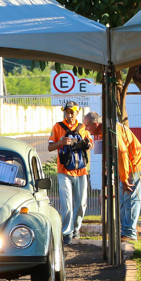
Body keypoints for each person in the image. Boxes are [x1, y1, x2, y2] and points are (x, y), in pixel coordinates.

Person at [83, 111, 141, 242]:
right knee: (122, 199)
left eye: (87, 126)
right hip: (125, 167)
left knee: (130, 199)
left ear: (96, 124)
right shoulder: (107, 130)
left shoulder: (113, 131)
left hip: (134, 165)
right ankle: (125, 231)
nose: (86, 129)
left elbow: (122, 154)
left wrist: (124, 178)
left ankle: (129, 233)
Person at [48, 101, 92, 244]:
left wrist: (88, 144)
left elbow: (90, 143)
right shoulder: (58, 127)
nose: (69, 115)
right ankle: (67, 232)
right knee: (66, 203)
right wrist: (61, 142)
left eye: (72, 112)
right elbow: (50, 147)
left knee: (81, 203)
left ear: (77, 112)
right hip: (64, 171)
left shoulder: (83, 128)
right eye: (67, 112)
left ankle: (76, 228)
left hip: (81, 171)